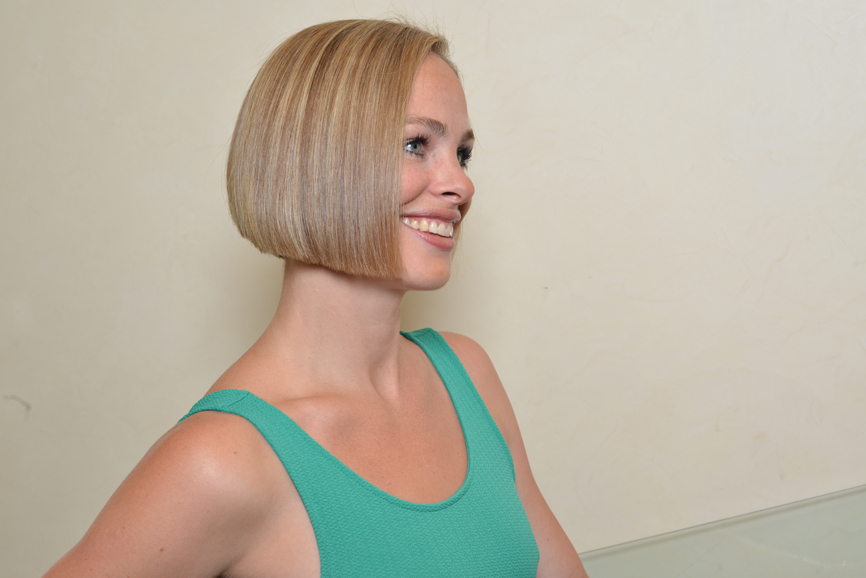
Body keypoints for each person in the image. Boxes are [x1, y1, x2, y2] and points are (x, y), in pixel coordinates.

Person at [44, 19, 588, 578]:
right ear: (317, 159)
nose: (461, 184)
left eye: (462, 154)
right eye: (415, 145)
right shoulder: (223, 461)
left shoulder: (467, 376)